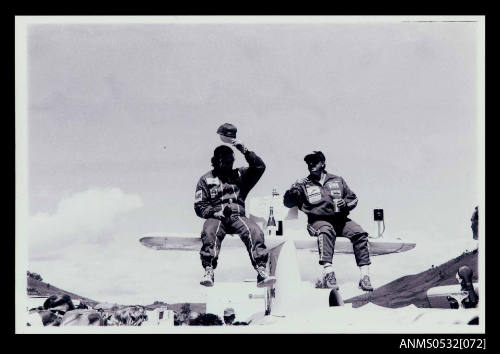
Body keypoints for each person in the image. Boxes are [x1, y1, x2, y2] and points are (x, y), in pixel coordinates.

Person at [283, 151, 373, 291]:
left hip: (340, 220)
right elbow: (288, 203)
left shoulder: (337, 180)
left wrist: (345, 203)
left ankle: (364, 277)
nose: (311, 164)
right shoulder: (303, 184)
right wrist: (293, 187)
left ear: (323, 163)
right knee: (326, 230)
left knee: (359, 233)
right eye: (308, 162)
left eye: (314, 161)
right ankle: (328, 273)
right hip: (317, 221)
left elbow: (353, 198)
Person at [194, 135, 276, 288]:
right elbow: (199, 206)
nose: (229, 164)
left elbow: (259, 167)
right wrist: (214, 213)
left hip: (238, 216)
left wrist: (244, 150)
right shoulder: (205, 179)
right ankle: (208, 269)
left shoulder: (240, 175)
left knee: (255, 231)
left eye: (231, 161)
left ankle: (261, 270)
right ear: (216, 161)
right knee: (210, 230)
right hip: (216, 217)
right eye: (225, 161)